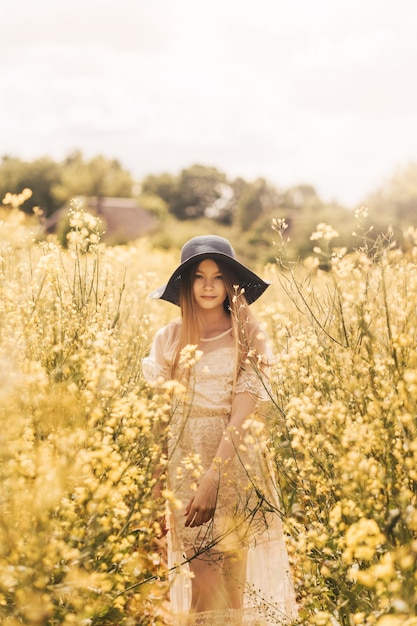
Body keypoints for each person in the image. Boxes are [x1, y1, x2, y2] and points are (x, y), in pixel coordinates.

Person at [142, 235, 298, 626]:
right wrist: (157, 486)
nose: (208, 285)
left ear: (231, 284)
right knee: (199, 590)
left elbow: (243, 417)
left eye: (217, 276)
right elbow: (163, 421)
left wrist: (214, 477)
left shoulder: (248, 336)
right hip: (184, 464)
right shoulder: (168, 338)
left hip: (232, 465)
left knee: (228, 588)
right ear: (186, 284)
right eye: (198, 276)